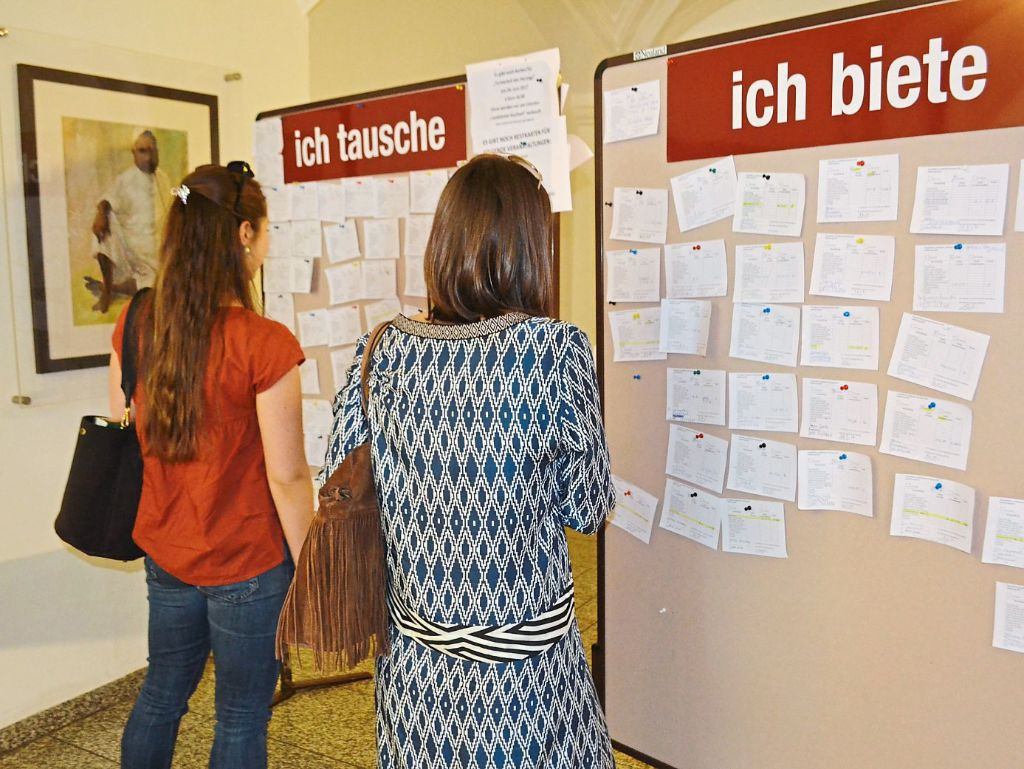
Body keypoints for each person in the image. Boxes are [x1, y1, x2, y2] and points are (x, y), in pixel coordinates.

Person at [320, 153, 616, 768]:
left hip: (416, 673)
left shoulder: (380, 348)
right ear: (533, 247)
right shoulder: (552, 350)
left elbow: (337, 480)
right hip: (524, 680)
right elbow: (586, 508)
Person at [110, 162, 312, 769]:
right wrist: (312, 566)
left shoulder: (138, 321)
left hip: (167, 553)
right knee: (242, 716)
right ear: (244, 235)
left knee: (162, 694)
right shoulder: (263, 341)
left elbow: (125, 419)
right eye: (265, 230)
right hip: (246, 561)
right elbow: (287, 476)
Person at [88, 130, 172, 312]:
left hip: (158, 246)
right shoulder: (126, 179)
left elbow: (179, 195)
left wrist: (190, 195)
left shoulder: (163, 178)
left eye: (152, 150)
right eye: (143, 151)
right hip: (131, 245)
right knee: (102, 233)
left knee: (156, 286)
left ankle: (114, 289)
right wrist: (101, 214)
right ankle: (109, 291)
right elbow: (106, 199)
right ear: (134, 153)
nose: (149, 156)